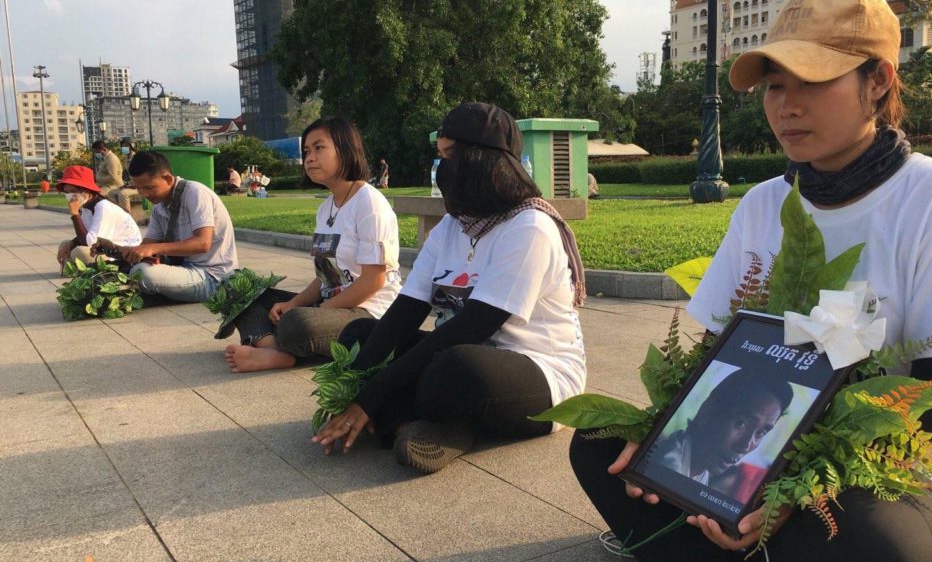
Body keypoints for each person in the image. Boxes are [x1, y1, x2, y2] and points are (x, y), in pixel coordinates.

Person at [568, 0, 932, 562]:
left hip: (897, 479)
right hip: (745, 461)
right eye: (775, 86)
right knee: (601, 450)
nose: (787, 106)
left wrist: (784, 490)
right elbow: (715, 357)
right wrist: (667, 451)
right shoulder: (762, 205)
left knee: (871, 547)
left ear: (879, 82)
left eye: (812, 82)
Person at [312, 102, 587, 474]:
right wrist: (355, 383)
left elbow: (474, 327)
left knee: (454, 369)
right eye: (440, 156)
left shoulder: (529, 228)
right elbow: (406, 311)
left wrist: (372, 396)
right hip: (460, 353)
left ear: (486, 159)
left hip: (538, 372)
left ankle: (418, 420)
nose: (443, 167)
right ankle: (430, 426)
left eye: (451, 155)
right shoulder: (451, 227)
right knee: (361, 334)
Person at [223, 117, 403, 373]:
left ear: (346, 149)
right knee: (241, 291)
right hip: (330, 306)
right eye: (306, 151)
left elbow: (374, 280)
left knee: (299, 324)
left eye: (319, 148)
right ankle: (274, 349)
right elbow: (326, 277)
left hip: (368, 312)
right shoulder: (325, 208)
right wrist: (295, 303)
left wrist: (318, 310)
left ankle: (277, 344)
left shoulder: (369, 203)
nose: (309, 157)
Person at [648, 369, 792, 496]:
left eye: (761, 432)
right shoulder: (668, 467)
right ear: (708, 410)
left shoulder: (697, 472)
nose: (745, 446)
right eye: (741, 423)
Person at [118, 150, 238, 303]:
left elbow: (202, 243)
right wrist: (121, 250)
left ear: (167, 178)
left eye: (148, 187)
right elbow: (148, 245)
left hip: (212, 277)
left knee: (141, 273)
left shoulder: (195, 193)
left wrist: (154, 249)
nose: (144, 194)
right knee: (126, 269)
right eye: (139, 189)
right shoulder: (159, 206)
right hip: (184, 268)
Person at [54, 165, 142, 271]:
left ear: (86, 191)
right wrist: (70, 243)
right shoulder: (86, 207)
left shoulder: (103, 207)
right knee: (69, 251)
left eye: (73, 191)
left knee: (80, 252)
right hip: (105, 249)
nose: (70, 196)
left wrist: (75, 215)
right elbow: (89, 234)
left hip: (125, 254)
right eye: (67, 192)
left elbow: (89, 243)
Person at [108, 139, 140, 215]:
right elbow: (130, 176)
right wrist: (127, 184)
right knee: (111, 193)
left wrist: (135, 185)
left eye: (126, 146)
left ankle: (127, 217)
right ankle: (119, 215)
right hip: (132, 185)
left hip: (140, 186)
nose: (123, 148)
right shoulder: (126, 159)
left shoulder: (137, 158)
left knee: (123, 194)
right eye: (122, 146)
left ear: (132, 146)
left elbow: (141, 174)